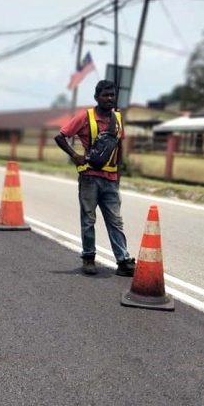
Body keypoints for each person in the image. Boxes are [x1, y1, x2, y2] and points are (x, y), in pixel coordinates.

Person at [54, 80, 135, 277]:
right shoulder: (85, 116)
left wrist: (118, 176)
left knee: (115, 220)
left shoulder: (117, 119)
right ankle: (89, 258)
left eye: (112, 95)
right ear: (96, 97)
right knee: (88, 219)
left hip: (111, 179)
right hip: (90, 177)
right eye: (105, 95)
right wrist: (75, 156)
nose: (109, 98)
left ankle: (123, 261)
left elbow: (118, 147)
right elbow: (60, 136)